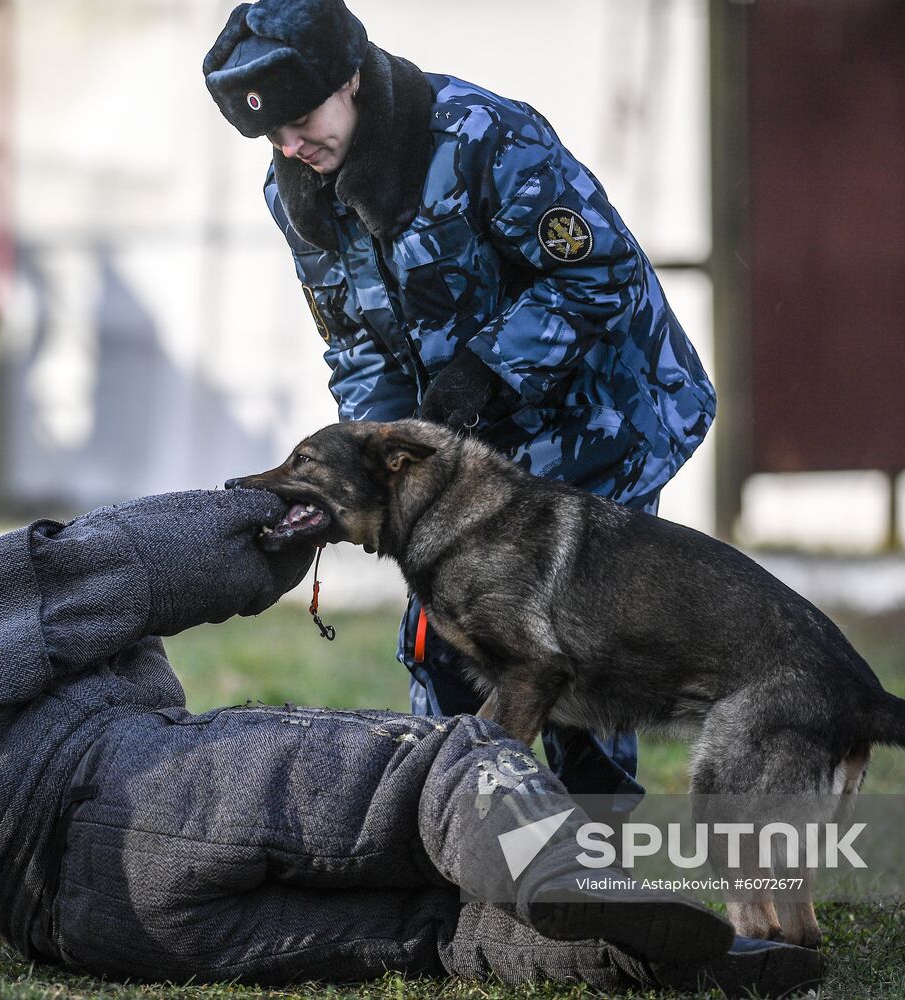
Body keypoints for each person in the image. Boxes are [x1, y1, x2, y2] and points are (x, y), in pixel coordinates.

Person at [0, 489, 823, 995]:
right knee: (436, 773)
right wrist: (283, 522)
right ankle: (568, 875)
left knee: (431, 938)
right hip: (139, 794)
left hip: (100, 936)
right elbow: (131, 559)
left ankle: (661, 964)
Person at [203, 0, 717, 808]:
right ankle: (455, 834)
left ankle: (600, 850)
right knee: (444, 628)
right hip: (453, 435)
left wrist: (483, 374)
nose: (290, 147)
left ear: (349, 80)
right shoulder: (297, 188)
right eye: (272, 136)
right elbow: (353, 342)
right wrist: (378, 456)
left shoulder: (485, 137)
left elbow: (598, 273)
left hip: (596, 415)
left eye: (301, 120)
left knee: (567, 638)